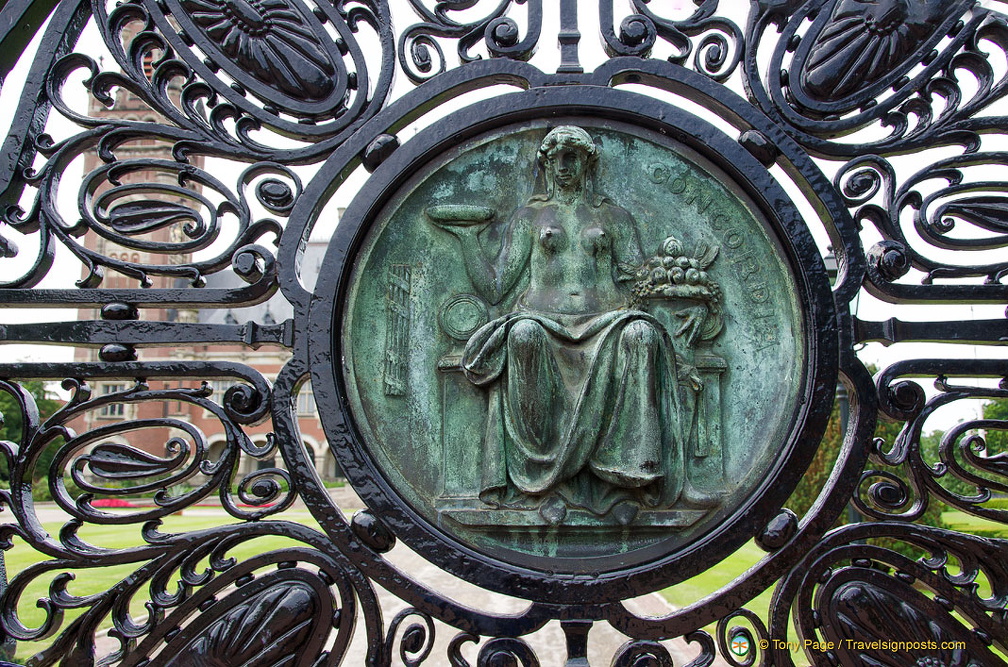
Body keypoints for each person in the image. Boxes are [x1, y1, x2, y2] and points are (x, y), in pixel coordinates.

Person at [430, 126, 684, 522]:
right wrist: (468, 240)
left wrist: (675, 282)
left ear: (588, 163)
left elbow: (640, 278)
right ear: (546, 165)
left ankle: (623, 483)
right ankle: (540, 483)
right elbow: (496, 288)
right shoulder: (529, 216)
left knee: (642, 333)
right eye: (556, 159)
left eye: (573, 158)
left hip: (607, 321)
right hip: (543, 320)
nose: (564, 167)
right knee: (523, 334)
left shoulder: (614, 216)